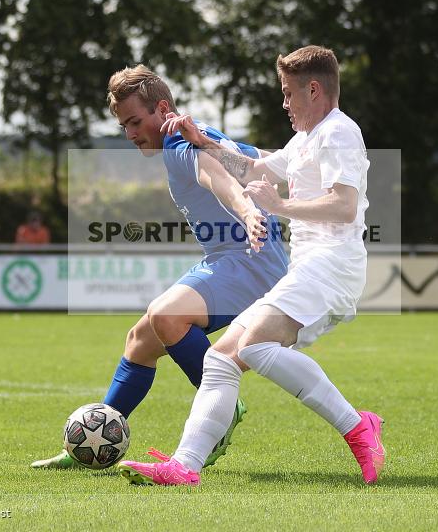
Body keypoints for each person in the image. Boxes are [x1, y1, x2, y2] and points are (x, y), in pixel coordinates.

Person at [118, 46, 385, 486]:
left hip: (333, 266)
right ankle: (183, 467)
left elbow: (344, 205)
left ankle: (359, 427)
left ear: (313, 89)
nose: (283, 104)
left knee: (254, 348)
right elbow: (251, 165)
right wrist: (205, 142)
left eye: (287, 93)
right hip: (310, 268)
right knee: (221, 359)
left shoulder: (339, 133)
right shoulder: (305, 139)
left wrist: (281, 204)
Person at [30, 65, 289, 469]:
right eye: (123, 126)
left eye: (135, 121)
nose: (131, 134)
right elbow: (258, 159)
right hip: (233, 260)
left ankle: (222, 407)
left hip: (252, 264)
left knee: (167, 316)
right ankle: (88, 446)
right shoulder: (195, 132)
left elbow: (214, 176)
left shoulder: (180, 145)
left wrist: (245, 210)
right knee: (140, 339)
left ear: (162, 109)